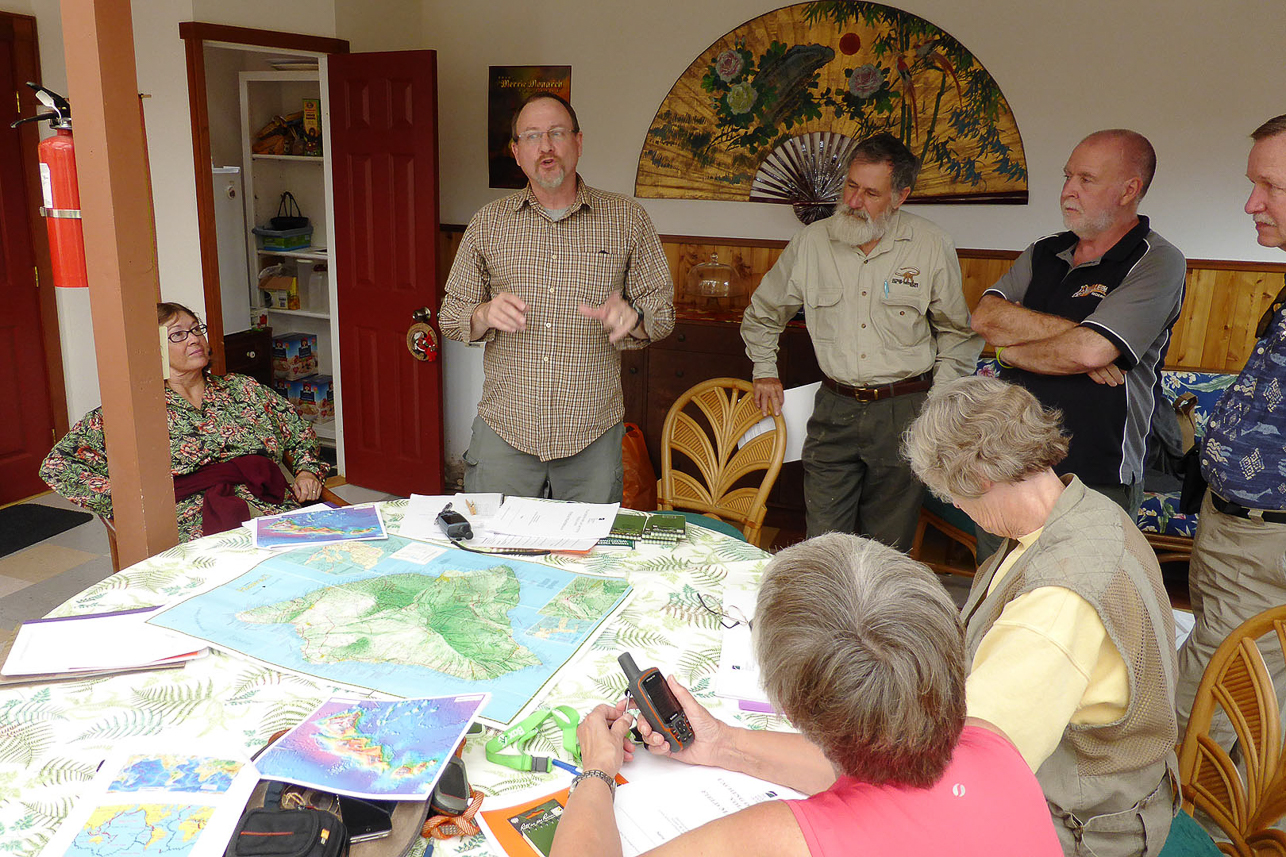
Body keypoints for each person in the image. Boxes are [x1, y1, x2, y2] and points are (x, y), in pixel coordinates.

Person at [549, 533, 1062, 857]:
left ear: (790, 706)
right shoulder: (991, 744)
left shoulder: (782, 838)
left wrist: (596, 769)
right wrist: (721, 743)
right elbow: (881, 774)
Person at [904, 375, 1178, 857]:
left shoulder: (1058, 598)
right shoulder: (1085, 508)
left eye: (951, 496)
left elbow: (969, 765)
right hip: (1116, 790)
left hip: (1080, 827)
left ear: (980, 479)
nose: (958, 508)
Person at [740, 133, 980, 548]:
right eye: (851, 186)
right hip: (834, 407)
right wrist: (765, 371)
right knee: (823, 541)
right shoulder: (812, 243)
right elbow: (762, 314)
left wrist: (937, 405)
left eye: (871, 193)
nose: (853, 201)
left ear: (900, 196)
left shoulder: (930, 244)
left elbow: (956, 332)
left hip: (903, 409)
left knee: (888, 546)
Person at [440, 92, 674, 504]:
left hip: (592, 433)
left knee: (588, 558)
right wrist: (484, 312)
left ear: (578, 142)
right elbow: (450, 315)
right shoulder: (488, 224)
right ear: (516, 152)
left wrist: (633, 317)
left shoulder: (627, 219)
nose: (545, 147)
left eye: (556, 133)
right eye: (531, 137)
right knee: (494, 550)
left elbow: (662, 311)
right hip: (506, 428)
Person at [970, 130, 1186, 553]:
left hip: (1097, 469)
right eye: (1068, 177)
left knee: (1080, 599)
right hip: (1010, 461)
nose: (1068, 190)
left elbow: (1092, 351)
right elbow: (985, 318)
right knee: (999, 594)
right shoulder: (1044, 251)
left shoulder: (1157, 260)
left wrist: (1013, 351)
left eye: (1086, 179)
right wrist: (1085, 333)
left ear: (1129, 190)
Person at [1175, 114, 1286, 746]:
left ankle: (1195, 832)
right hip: (1240, 533)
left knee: (1207, 699)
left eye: (1270, 186)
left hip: (1261, 546)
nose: (1251, 203)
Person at [40, 302, 328, 542]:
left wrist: (306, 471)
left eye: (196, 330)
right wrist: (128, 505)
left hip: (269, 506)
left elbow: (300, 434)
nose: (194, 339)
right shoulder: (132, 411)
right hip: (189, 523)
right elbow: (58, 465)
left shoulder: (243, 389)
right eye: (178, 335)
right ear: (152, 349)